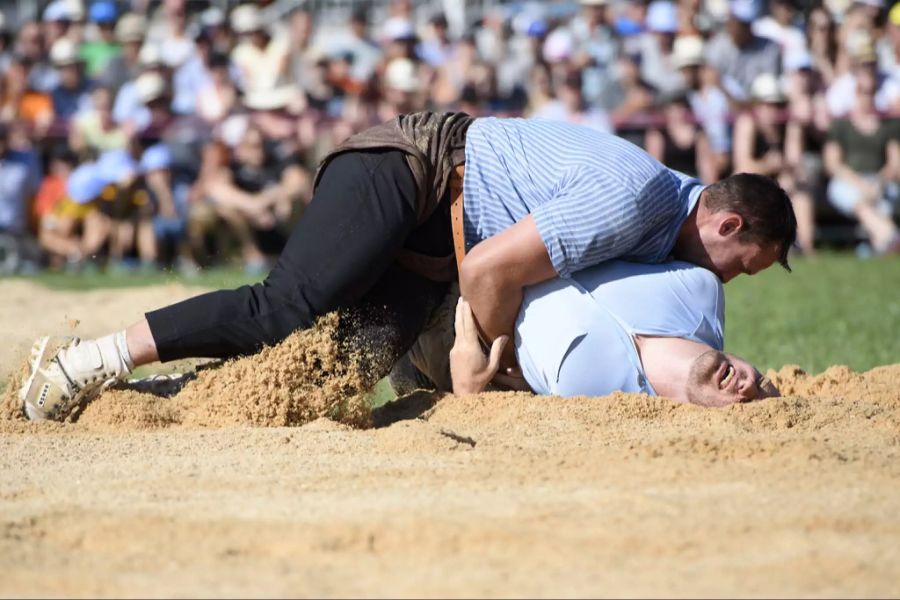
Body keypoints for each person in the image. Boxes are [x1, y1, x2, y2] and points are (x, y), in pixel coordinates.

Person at [19, 112, 796, 421]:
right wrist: (470, 358)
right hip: (412, 173)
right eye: (739, 265)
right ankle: (88, 361)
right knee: (290, 307)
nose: (725, 282)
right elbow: (493, 267)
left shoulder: (662, 229)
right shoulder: (638, 199)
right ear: (725, 222)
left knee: (334, 375)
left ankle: (157, 398)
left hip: (438, 248)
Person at [445, 260, 779, 407]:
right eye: (761, 382)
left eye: (747, 404)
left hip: (459, 330)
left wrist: (467, 390)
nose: (749, 385)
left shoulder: (605, 408)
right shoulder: (701, 292)